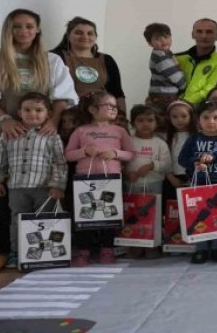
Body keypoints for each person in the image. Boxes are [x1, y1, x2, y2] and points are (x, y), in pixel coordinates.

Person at [0, 8, 77, 253]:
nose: (23, 31)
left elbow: (62, 96)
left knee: (42, 189)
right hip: (1, 130)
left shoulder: (51, 61)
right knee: (1, 192)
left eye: (29, 26)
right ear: (8, 30)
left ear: (37, 30)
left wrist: (53, 121)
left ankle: (43, 250)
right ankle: (6, 249)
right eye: (17, 26)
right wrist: (4, 119)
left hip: (41, 134)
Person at [0, 92, 68, 267]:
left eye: (39, 110)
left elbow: (59, 162)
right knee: (17, 220)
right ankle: (17, 253)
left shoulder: (51, 136)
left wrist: (57, 185)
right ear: (19, 112)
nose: (33, 114)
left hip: (44, 189)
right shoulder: (9, 133)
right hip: (17, 188)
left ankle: (46, 253)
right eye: (27, 110)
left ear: (48, 113)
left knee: (45, 221)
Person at [65, 91, 135, 266]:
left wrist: (115, 153)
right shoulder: (81, 131)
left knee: (109, 216)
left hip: (112, 181)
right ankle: (83, 250)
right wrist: (84, 152)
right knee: (84, 216)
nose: (113, 108)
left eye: (115, 106)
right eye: (108, 105)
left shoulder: (120, 131)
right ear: (92, 109)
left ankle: (107, 248)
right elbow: (67, 155)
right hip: (85, 182)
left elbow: (131, 153)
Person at [178, 101, 217, 264]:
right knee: (199, 216)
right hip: (198, 185)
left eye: (215, 117)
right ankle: (201, 249)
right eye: (206, 117)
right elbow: (182, 159)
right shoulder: (193, 139)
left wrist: (215, 157)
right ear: (198, 120)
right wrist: (196, 161)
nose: (211, 121)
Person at [124, 105, 171, 259]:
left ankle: (153, 245)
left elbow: (166, 163)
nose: (145, 124)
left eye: (150, 120)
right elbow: (121, 161)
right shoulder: (128, 141)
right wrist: (126, 172)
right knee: (132, 216)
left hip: (154, 185)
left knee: (153, 216)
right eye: (140, 120)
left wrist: (152, 165)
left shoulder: (160, 143)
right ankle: (134, 245)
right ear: (132, 123)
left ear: (156, 123)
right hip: (132, 186)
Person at [51, 16, 126, 110]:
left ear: (95, 37)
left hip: (102, 113)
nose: (85, 36)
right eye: (79, 33)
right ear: (68, 35)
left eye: (90, 33)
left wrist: (122, 116)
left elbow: (117, 92)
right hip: (69, 113)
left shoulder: (107, 59)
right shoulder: (56, 57)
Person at [175, 18, 217, 106]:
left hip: (203, 113)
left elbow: (210, 90)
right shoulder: (177, 58)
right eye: (199, 31)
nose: (204, 36)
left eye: (209, 32)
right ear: (193, 35)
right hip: (171, 110)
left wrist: (184, 104)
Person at [163, 101, 197, 213]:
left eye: (184, 116)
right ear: (169, 118)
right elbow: (164, 160)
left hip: (193, 179)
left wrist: (191, 178)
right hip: (172, 179)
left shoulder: (197, 136)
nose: (179, 120)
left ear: (191, 117)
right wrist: (171, 177)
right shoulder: (166, 137)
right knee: (172, 212)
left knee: (191, 211)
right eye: (175, 117)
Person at [143, 23, 186, 112]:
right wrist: (184, 87)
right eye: (157, 38)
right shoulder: (161, 57)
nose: (163, 41)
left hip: (160, 93)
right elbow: (175, 77)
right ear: (149, 43)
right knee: (164, 118)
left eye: (166, 37)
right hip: (164, 95)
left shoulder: (165, 53)